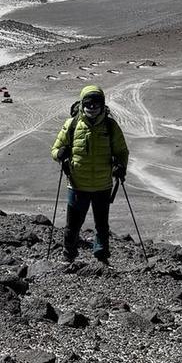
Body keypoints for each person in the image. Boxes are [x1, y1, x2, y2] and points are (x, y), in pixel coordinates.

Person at [51, 83, 129, 264]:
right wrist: (59, 154)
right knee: (73, 226)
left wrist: (121, 166)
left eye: (96, 104)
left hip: (103, 185)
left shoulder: (110, 127)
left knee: (102, 226)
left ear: (102, 105)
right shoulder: (71, 125)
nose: (92, 108)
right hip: (78, 185)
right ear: (81, 104)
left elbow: (122, 151)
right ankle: (68, 257)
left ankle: (101, 258)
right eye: (88, 104)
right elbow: (55, 149)